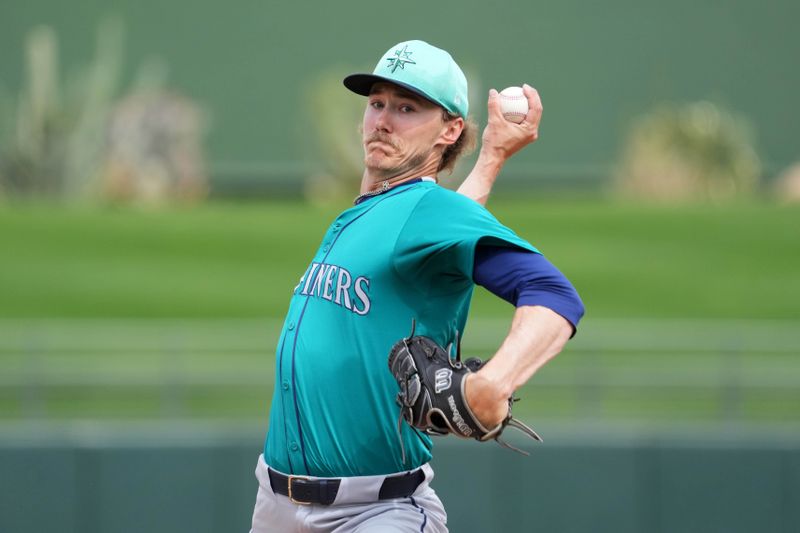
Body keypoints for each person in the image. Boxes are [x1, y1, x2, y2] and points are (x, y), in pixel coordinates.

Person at [250, 39, 584, 532]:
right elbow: (441, 224)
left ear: (450, 129)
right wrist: (490, 157)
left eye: (407, 108)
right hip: (276, 506)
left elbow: (554, 295)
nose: (382, 120)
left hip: (373, 513)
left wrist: (497, 380)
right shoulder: (382, 212)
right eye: (377, 104)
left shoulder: (425, 210)